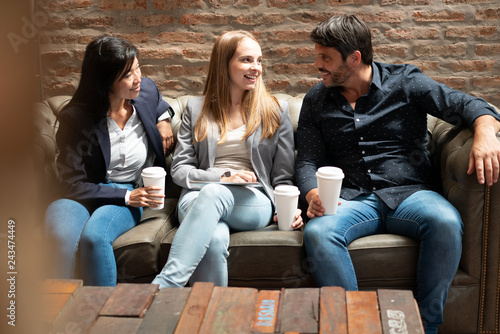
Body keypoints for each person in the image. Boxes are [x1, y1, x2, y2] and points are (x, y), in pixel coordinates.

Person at [295, 14, 500, 334]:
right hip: (352, 198)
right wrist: (311, 193)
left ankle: (424, 326)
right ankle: (356, 326)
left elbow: (466, 104)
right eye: (318, 55)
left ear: (354, 58)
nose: (317, 64)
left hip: (411, 194)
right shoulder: (316, 100)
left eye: (325, 57)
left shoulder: (405, 82)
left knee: (445, 221)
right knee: (319, 233)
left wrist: (485, 133)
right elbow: (307, 160)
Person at [152, 30, 302, 288]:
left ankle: (163, 286)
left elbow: (282, 176)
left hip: (252, 199)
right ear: (224, 64)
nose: (256, 68)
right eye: (246, 60)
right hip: (197, 197)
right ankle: (213, 321)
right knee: (216, 236)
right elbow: (179, 170)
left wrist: (287, 208)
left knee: (213, 195)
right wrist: (223, 177)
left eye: (259, 60)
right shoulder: (196, 109)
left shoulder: (276, 110)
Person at [44, 36, 175, 286]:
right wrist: (128, 198)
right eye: (127, 74)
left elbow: (158, 100)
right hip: (81, 194)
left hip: (128, 187)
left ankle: (103, 319)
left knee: (95, 238)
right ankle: (54, 317)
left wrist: (163, 119)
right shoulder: (76, 118)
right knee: (60, 237)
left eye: (137, 67)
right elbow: (71, 184)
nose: (138, 78)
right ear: (105, 81)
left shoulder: (144, 91)